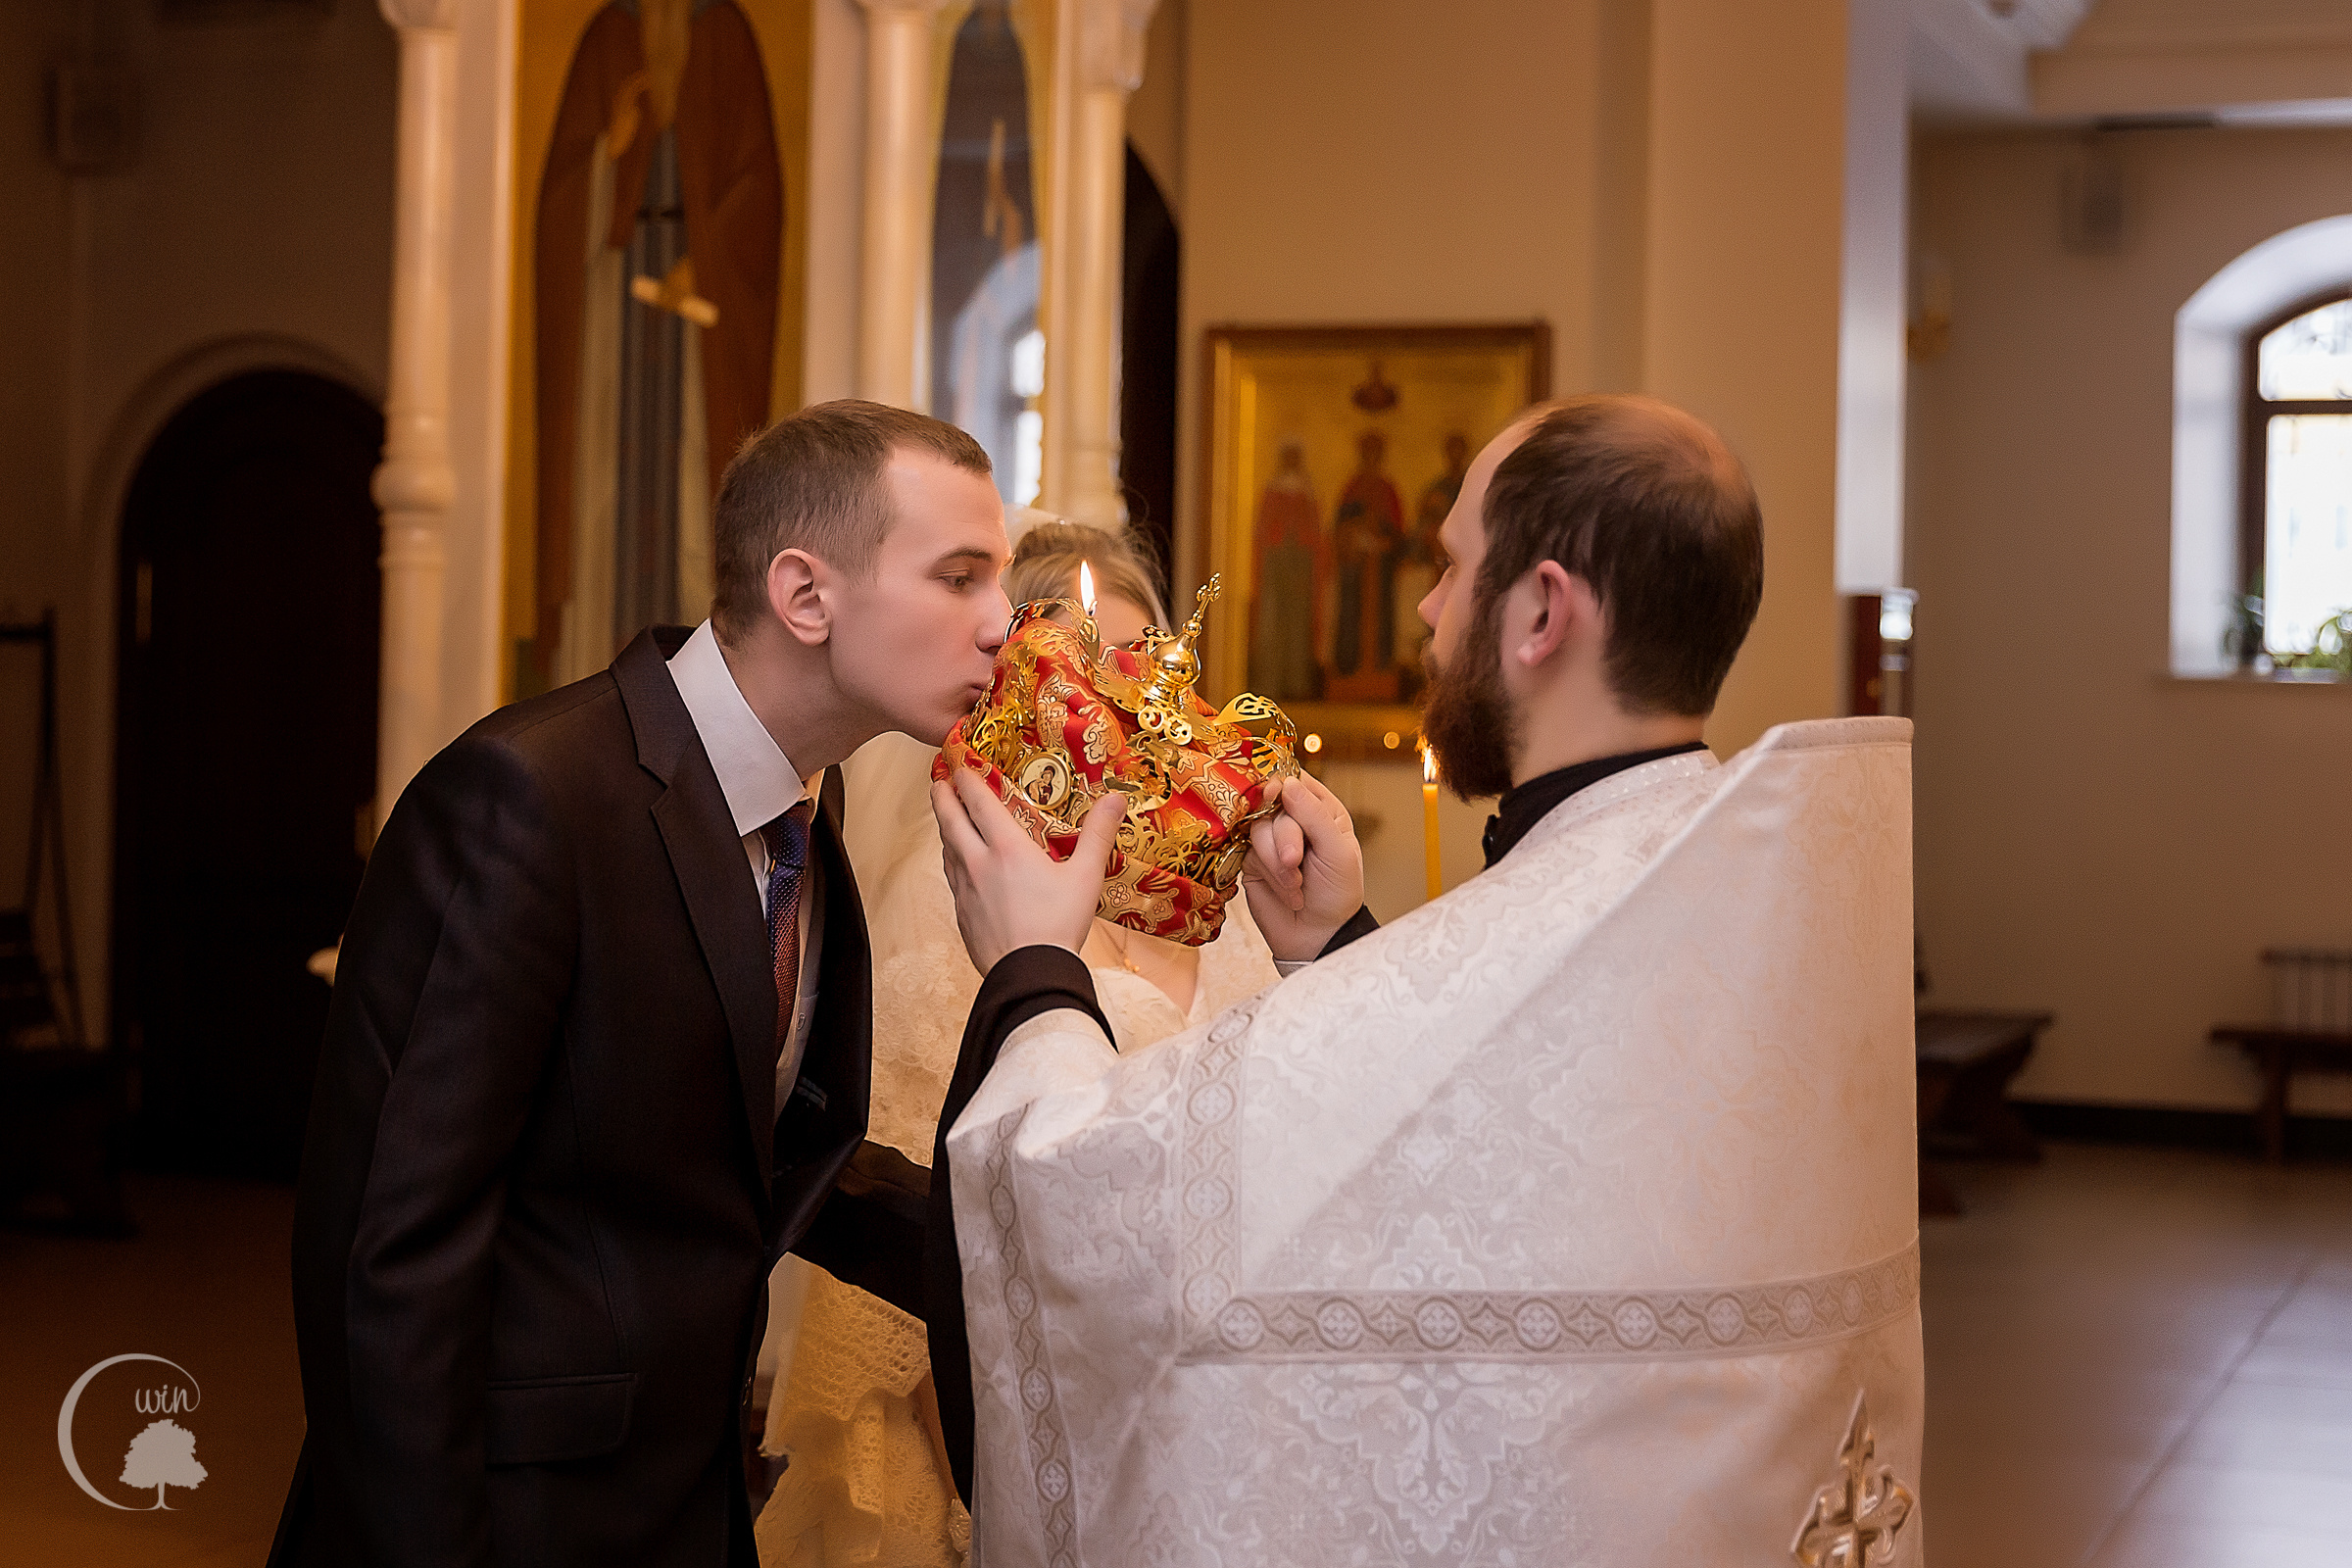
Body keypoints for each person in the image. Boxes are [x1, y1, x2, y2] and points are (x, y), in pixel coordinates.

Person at [926, 394, 1925, 1563]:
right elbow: (1484, 1161)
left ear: (1543, 609)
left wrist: (1037, 970)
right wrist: (1340, 949)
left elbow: (1084, 1205)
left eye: (1452, 569)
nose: (1425, 606)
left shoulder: (1560, 926)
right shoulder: (1758, 905)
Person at [271, 401, 1014, 1568]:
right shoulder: (527, 798)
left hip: (682, 1499)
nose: (1004, 627)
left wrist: (1057, 1237)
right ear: (806, 595)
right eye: (961, 577)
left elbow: (740, 1152)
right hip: (503, 1515)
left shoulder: (797, 817)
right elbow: (387, 1253)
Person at [752, 517, 1280, 1566]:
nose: (1120, 721)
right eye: (1088, 683)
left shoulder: (1229, 917)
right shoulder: (950, 926)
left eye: (1144, 683)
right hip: (1004, 1441)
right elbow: (936, 1268)